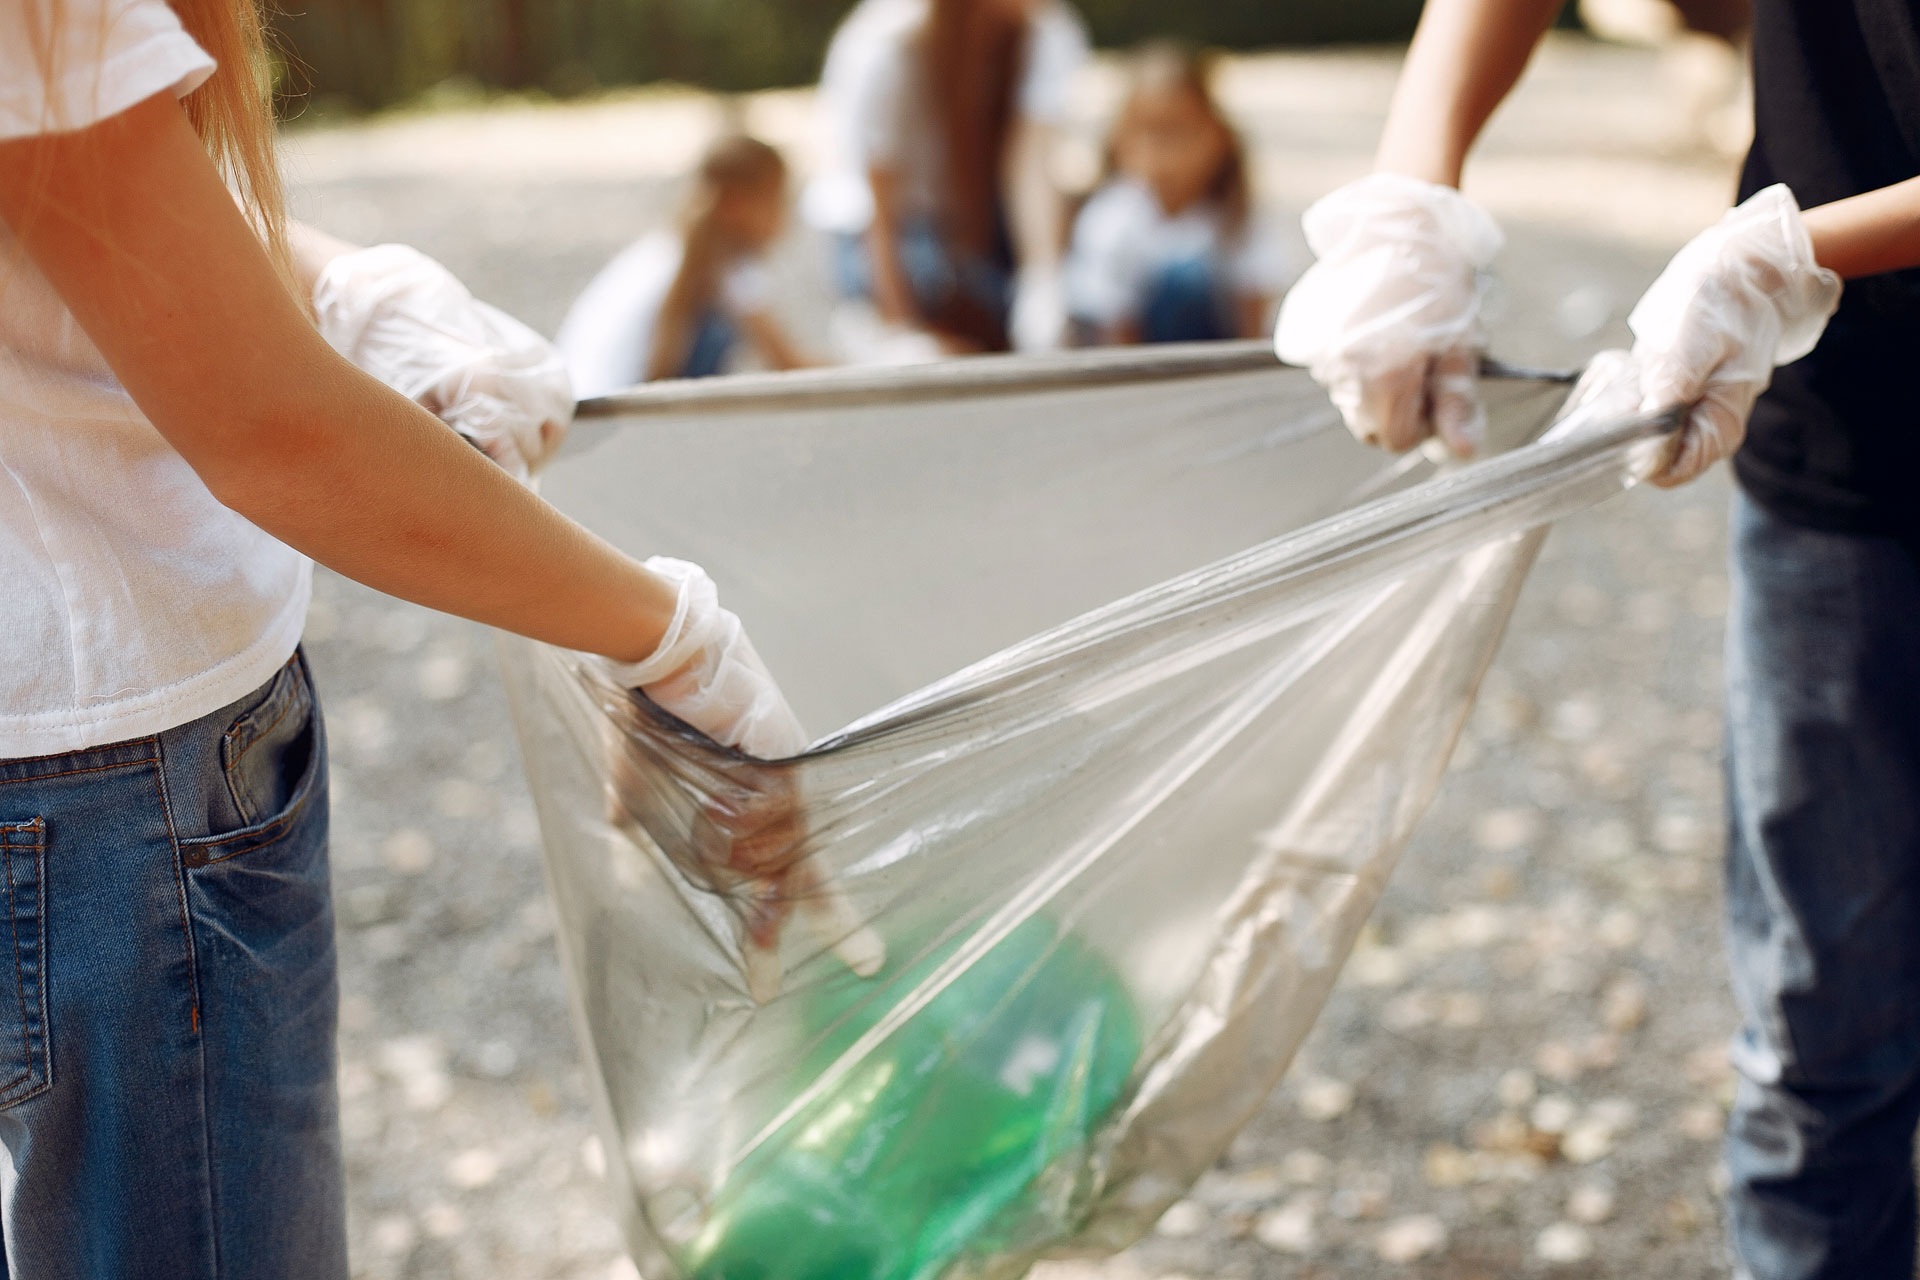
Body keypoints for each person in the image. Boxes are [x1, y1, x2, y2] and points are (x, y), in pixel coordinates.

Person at [0, 0, 863, 1271]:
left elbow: (68, 198)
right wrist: (677, 643)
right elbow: (274, 436)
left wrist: (349, 287)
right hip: (117, 791)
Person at [1275, 3, 1920, 1277]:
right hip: (1845, 449)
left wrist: (1790, 255)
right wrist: (1412, 187)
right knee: (1820, 1051)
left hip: (1812, 310)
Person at [804, 0, 1089, 354]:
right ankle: (873, 323)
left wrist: (1043, 279)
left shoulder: (1044, 28)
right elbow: (877, 206)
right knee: (932, 302)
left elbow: (1031, 162)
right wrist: (900, 325)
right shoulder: (885, 47)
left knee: (1087, 277)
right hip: (891, 228)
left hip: (975, 218)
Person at [1063, 42, 1286, 346]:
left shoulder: (1237, 219)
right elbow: (1111, 335)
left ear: (1217, 137)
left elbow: (1253, 327)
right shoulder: (1110, 222)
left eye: (1178, 133)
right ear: (1119, 141)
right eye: (1147, 134)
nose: (1162, 156)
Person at [556, 134, 811, 397]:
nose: (786, 215)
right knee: (716, 333)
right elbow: (787, 363)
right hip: (615, 408)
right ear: (737, 203)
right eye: (778, 200)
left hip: (582, 400)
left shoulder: (667, 249)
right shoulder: (723, 266)